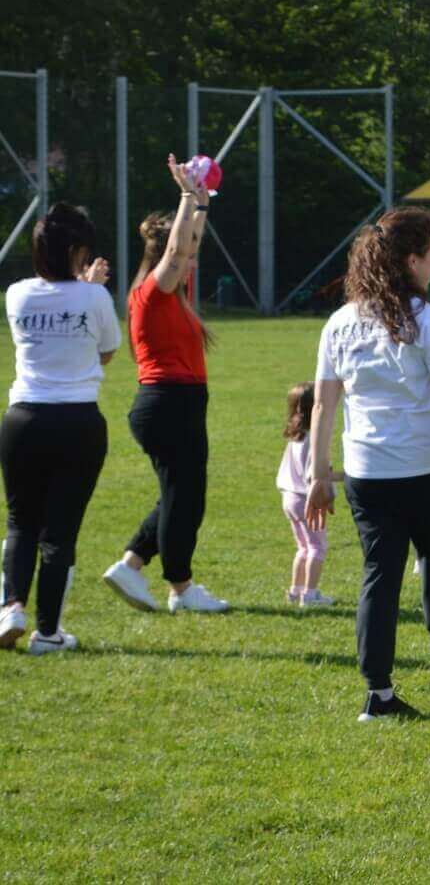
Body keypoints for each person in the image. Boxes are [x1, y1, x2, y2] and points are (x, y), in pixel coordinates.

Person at [306, 207, 430, 721]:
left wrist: (317, 474)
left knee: (380, 575)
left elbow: (324, 404)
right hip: (428, 469)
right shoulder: (429, 321)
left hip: (367, 473)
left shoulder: (339, 324)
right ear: (412, 261)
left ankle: (378, 694)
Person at [102, 156, 230, 616]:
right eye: (187, 254)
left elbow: (187, 242)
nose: (193, 259)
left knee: (180, 495)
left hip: (176, 403)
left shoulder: (175, 295)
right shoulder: (152, 293)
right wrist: (184, 197)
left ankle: (131, 564)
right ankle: (181, 586)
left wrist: (201, 203)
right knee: (185, 498)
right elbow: (177, 251)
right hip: (168, 404)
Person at [0, 205, 118, 654]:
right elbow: (106, 352)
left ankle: (11, 607)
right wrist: (90, 288)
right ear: (76, 251)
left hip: (23, 419)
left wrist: (83, 288)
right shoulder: (95, 298)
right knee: (60, 532)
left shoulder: (16, 294)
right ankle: (48, 633)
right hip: (77, 421)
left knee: (20, 522)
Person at [278, 382, 340, 607]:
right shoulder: (314, 439)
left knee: (303, 547)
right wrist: (338, 482)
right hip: (306, 500)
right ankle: (310, 595)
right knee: (317, 547)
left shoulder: (295, 437)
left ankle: (295, 590)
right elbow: (316, 475)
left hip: (289, 498)